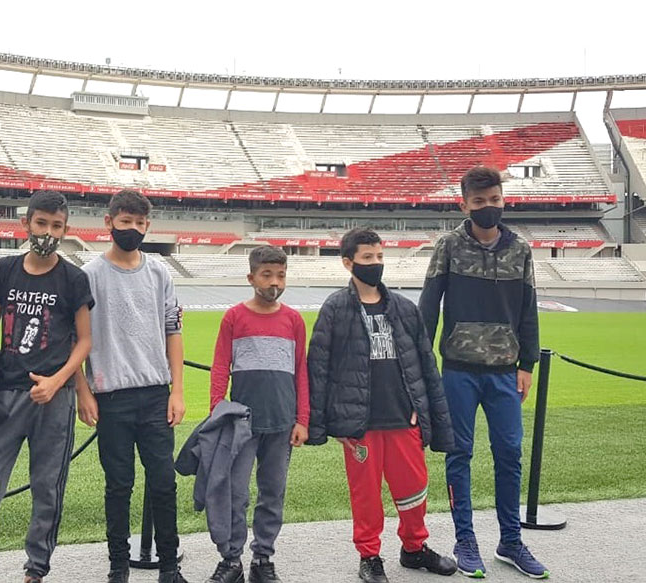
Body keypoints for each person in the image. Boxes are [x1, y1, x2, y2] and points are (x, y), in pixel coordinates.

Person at [307, 228, 457, 583]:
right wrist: (325, 424)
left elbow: (426, 365)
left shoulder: (405, 309)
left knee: (415, 489)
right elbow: (319, 369)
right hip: (361, 425)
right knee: (366, 496)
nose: (375, 263)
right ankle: (369, 556)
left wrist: (430, 414)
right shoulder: (335, 309)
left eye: (379, 257)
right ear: (349, 263)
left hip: (405, 418)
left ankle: (414, 548)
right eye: (367, 258)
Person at [419, 166, 547, 579]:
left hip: (505, 373)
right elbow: (428, 308)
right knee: (459, 455)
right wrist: (422, 366)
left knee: (510, 453)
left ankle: (511, 541)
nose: (488, 207)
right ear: (464, 205)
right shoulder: (448, 246)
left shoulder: (520, 249)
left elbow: (528, 309)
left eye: (494, 199)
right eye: (479, 201)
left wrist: (527, 365)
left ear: (503, 200)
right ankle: (465, 540)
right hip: (458, 371)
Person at [0, 191, 94, 583]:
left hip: (53, 398)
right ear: (26, 223)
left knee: (47, 488)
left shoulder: (74, 278)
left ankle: (36, 570)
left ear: (66, 230)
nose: (48, 233)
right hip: (4, 392)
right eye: (41, 223)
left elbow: (84, 341)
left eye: (56, 226)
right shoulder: (5, 268)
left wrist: (59, 382)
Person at [74, 189, 188, 583]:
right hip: (110, 396)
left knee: (164, 483)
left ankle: (170, 567)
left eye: (140, 223)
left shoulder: (159, 273)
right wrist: (83, 391)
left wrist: (177, 390)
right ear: (109, 223)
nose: (133, 229)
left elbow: (173, 331)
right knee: (118, 486)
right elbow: (75, 339)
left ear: (147, 225)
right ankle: (118, 567)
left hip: (155, 393)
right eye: (126, 222)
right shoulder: (89, 275)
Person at [206, 245, 309, 583]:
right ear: (251, 278)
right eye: (267, 275)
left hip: (281, 422)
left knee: (273, 492)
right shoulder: (234, 317)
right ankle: (231, 559)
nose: (274, 282)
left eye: (280, 275)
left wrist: (302, 419)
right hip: (241, 423)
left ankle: (263, 558)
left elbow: (301, 371)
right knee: (235, 493)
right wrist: (217, 409)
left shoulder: (293, 320)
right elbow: (220, 365)